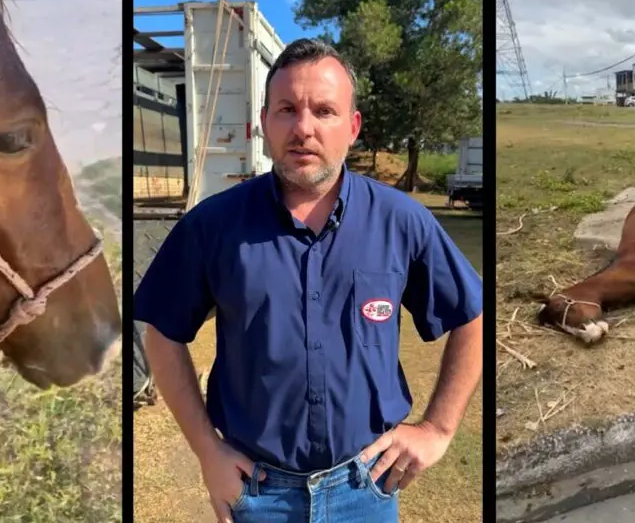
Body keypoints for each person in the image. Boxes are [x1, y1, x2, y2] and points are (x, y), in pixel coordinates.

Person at [133, 38, 483, 523]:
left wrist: (439, 429)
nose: (303, 128)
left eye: (324, 111)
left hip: (366, 489)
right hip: (256, 493)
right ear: (264, 123)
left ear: (353, 127)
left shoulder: (401, 222)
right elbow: (162, 331)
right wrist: (206, 450)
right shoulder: (212, 226)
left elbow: (470, 315)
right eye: (287, 110)